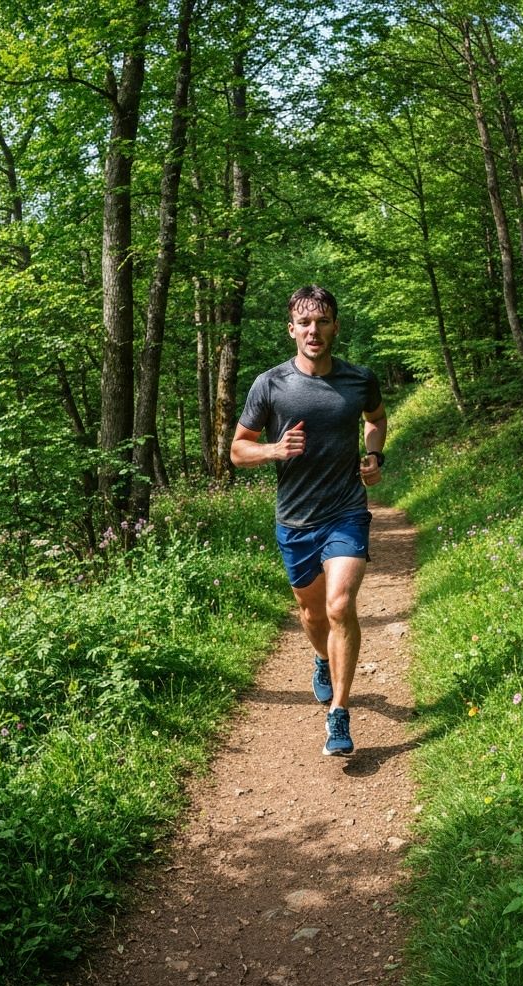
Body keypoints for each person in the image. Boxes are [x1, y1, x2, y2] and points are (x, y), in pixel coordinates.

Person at [230, 285, 387, 756]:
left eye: (322, 321)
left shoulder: (359, 379)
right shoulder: (271, 384)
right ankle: (322, 659)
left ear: (335, 326)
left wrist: (375, 455)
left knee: (340, 606)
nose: (313, 330)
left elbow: (376, 418)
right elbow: (237, 450)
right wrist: (274, 450)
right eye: (304, 322)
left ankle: (338, 714)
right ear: (291, 329)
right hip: (296, 519)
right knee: (312, 613)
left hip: (346, 511)